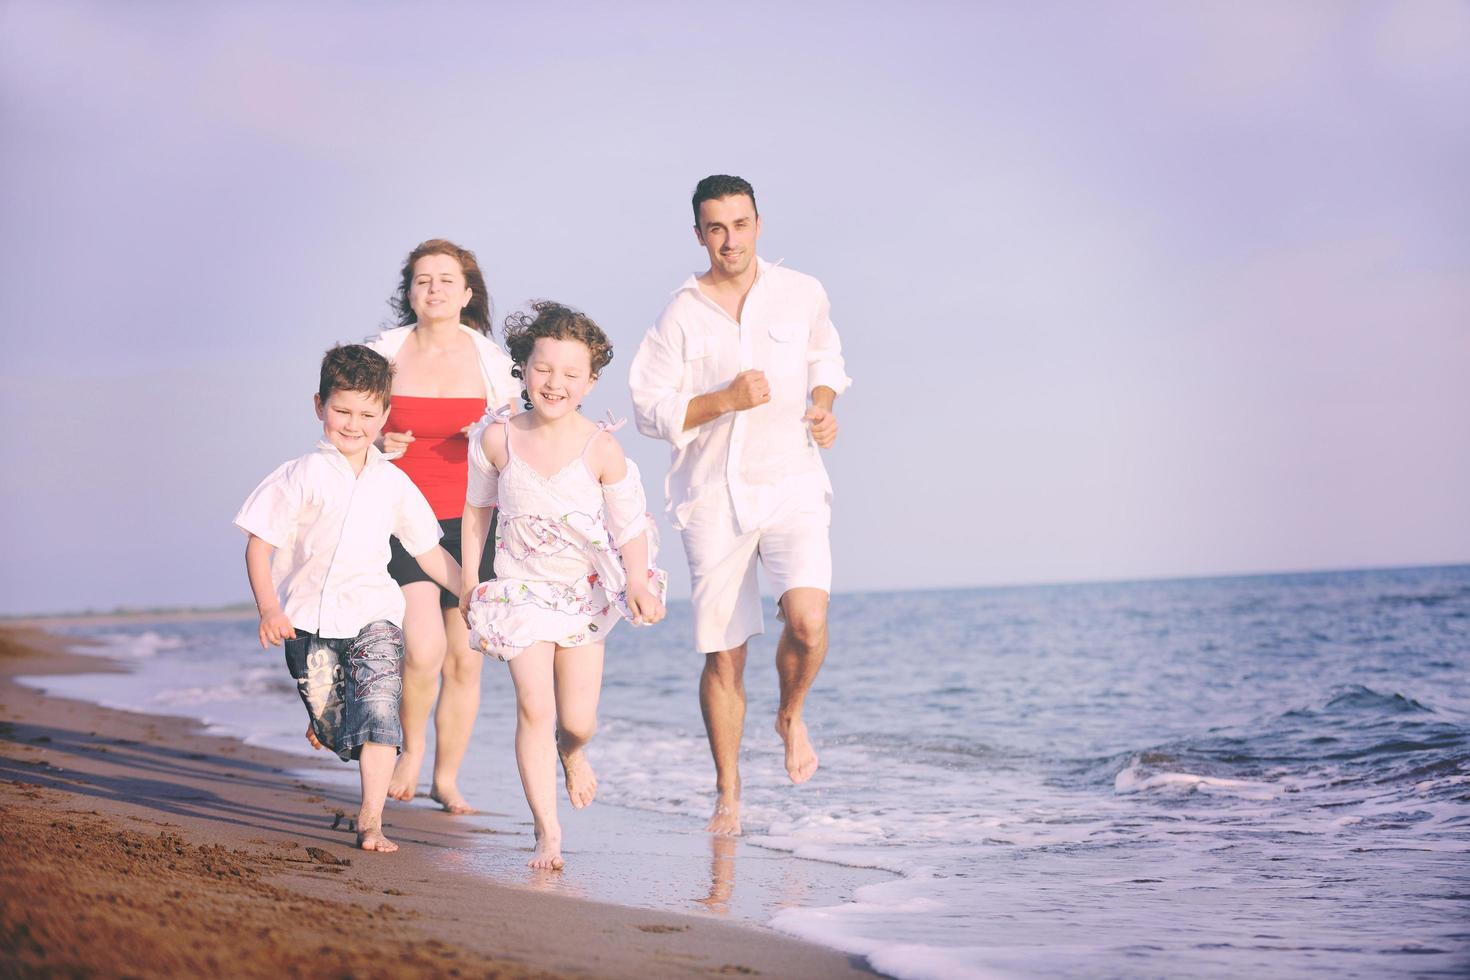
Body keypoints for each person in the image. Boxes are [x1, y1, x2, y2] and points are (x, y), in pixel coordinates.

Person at [628, 174, 852, 836]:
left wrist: (823, 407)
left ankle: (789, 714)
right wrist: (723, 399)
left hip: (792, 481)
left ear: (759, 223)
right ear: (699, 234)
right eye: (716, 228)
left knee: (807, 620)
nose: (731, 240)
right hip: (710, 498)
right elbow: (648, 408)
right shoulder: (680, 314)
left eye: (742, 224)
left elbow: (827, 359)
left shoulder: (801, 292)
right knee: (725, 655)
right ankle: (728, 790)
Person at [459, 301, 668, 870]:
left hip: (581, 593)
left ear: (590, 381)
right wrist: (469, 578)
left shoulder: (601, 448)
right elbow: (477, 510)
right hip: (519, 590)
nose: (555, 383)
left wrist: (642, 583)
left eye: (571, 374)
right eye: (544, 369)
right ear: (524, 369)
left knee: (577, 721)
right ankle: (546, 831)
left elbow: (628, 525)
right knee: (535, 706)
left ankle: (573, 753)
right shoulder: (498, 439)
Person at [235, 344, 462, 852]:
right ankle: (329, 724)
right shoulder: (299, 475)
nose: (353, 424)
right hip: (307, 622)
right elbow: (258, 546)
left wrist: (472, 592)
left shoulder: (394, 483)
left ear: (384, 415)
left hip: (375, 616)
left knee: (382, 709)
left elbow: (428, 552)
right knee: (337, 727)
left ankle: (371, 821)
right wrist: (269, 608)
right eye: (342, 410)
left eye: (366, 413)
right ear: (319, 406)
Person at [366, 239, 518, 814]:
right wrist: (380, 443)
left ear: (467, 292)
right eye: (423, 280)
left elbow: (521, 438)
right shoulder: (382, 355)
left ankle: (446, 779)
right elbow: (346, 422)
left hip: (476, 521)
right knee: (423, 647)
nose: (434, 288)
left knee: (464, 657)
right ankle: (411, 752)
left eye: (446, 280)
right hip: (404, 518)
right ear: (409, 291)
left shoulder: (495, 363)